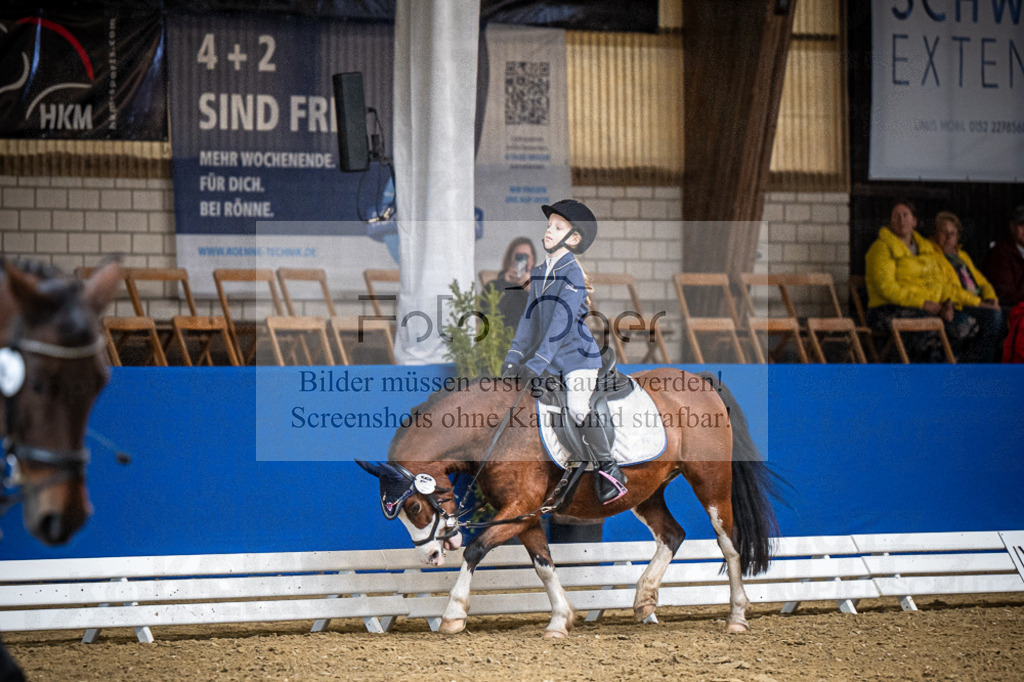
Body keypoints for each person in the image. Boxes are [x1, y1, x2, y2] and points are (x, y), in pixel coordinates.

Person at [500, 199, 627, 505]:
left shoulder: (571, 274)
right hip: (548, 360)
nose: (548, 231)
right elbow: (529, 320)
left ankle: (610, 470)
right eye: (548, 225)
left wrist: (537, 363)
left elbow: (560, 322)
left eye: (558, 227)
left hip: (576, 360)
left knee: (579, 407)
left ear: (573, 239)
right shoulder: (541, 271)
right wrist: (513, 358)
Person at [864, 200, 978, 362]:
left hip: (929, 308)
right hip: (886, 309)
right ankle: (917, 375)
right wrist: (923, 303)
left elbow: (941, 282)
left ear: (914, 221)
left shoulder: (925, 248)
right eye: (896, 216)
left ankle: (941, 371)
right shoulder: (881, 248)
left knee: (967, 325)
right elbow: (886, 288)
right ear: (890, 222)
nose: (901, 220)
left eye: (905, 215)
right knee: (930, 325)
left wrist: (948, 304)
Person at [923, 211, 1002, 362]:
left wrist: (990, 299)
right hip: (958, 304)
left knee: (1011, 315)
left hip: (977, 302)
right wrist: (981, 303)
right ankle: (974, 367)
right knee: (993, 317)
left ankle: (993, 369)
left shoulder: (962, 256)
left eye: (953, 233)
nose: (949, 237)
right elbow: (947, 289)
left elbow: (983, 283)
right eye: (944, 232)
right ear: (934, 234)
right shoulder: (931, 255)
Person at [484, 237, 536, 326]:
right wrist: (506, 284)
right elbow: (490, 318)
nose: (522, 261)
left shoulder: (541, 288)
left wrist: (531, 290)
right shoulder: (493, 286)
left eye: (526, 257)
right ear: (510, 259)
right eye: (518, 256)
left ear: (533, 261)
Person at [982, 205, 1024, 309]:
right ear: (1012, 227)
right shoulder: (1000, 253)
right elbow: (1005, 295)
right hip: (1013, 311)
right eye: (1021, 225)